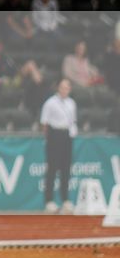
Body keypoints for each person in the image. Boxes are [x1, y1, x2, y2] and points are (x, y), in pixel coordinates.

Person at [40, 78, 79, 211]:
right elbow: (44, 123)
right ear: (58, 88)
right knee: (52, 168)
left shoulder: (72, 103)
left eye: (67, 87)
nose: (64, 90)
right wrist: (48, 138)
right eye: (62, 87)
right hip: (54, 135)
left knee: (66, 168)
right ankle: (49, 200)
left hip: (67, 135)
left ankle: (65, 199)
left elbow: (73, 120)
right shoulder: (50, 103)